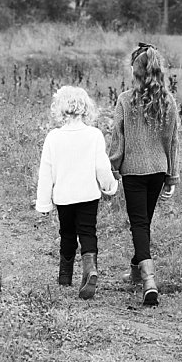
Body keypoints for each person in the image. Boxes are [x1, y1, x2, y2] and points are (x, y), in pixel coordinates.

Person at [111, 43, 180, 306]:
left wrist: (113, 168)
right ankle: (135, 270)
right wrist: (171, 175)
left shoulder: (125, 100)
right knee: (144, 222)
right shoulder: (168, 101)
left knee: (139, 224)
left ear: (135, 71)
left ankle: (149, 281)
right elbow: (173, 140)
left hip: (134, 172)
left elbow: (118, 138)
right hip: (158, 171)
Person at [36, 86, 118, 300]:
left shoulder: (53, 137)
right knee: (88, 232)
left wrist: (43, 204)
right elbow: (102, 166)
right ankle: (90, 269)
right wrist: (110, 186)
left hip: (64, 197)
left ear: (60, 109)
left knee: (67, 233)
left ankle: (65, 276)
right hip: (88, 195)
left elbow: (46, 173)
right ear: (85, 108)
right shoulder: (94, 135)